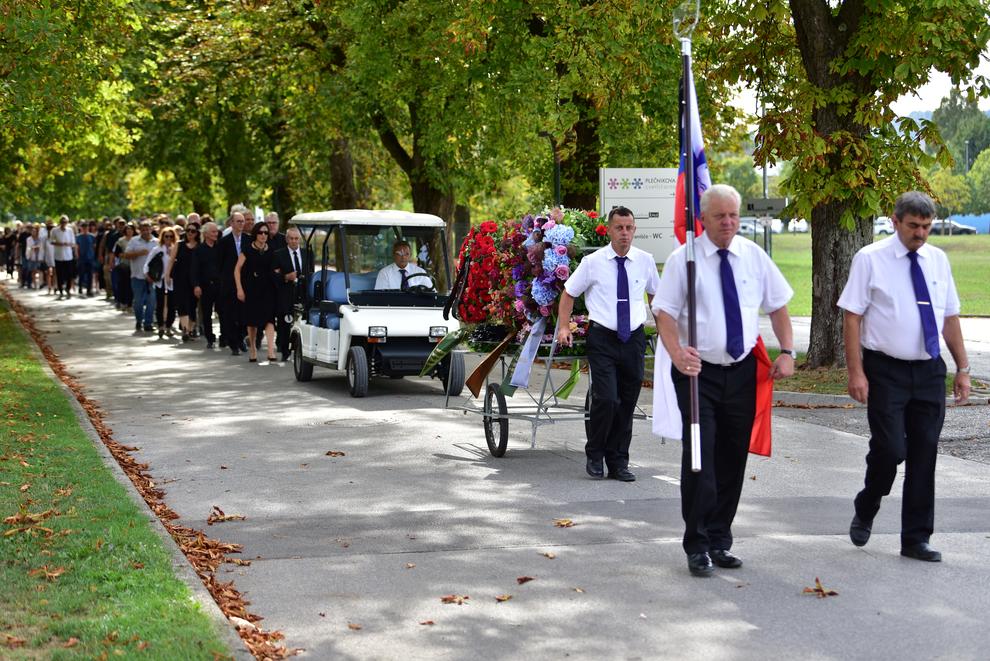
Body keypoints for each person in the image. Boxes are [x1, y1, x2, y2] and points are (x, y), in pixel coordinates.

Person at [653, 184, 795, 577]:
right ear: (703, 219)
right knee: (702, 460)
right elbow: (663, 313)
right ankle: (696, 544)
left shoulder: (753, 256)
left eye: (733, 215)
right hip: (698, 375)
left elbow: (778, 304)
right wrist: (678, 353)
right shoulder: (687, 259)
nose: (729, 222)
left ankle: (720, 539)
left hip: (743, 372)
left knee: (732, 458)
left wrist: (787, 350)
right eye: (720, 216)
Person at [838, 191, 971, 563]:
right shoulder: (870, 259)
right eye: (913, 226)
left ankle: (915, 538)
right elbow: (852, 316)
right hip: (886, 370)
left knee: (924, 452)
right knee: (891, 449)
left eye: (927, 227)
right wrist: (856, 372)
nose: (921, 234)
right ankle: (867, 503)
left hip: (929, 370)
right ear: (895, 221)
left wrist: (962, 368)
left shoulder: (938, 260)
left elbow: (949, 318)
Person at [556, 206, 660, 483]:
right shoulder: (593, 262)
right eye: (619, 228)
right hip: (602, 338)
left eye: (629, 227)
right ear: (610, 230)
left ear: (634, 229)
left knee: (627, 403)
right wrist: (564, 327)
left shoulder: (645, 261)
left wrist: (666, 334)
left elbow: (656, 298)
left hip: (634, 338)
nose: (624, 233)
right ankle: (595, 454)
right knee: (606, 398)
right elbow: (568, 293)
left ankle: (618, 461)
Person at [234, 221, 278, 363]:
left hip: (268, 289)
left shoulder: (271, 250)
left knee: (269, 319)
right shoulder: (247, 250)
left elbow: (275, 268)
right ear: (255, 234)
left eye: (266, 232)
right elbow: (237, 270)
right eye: (260, 232)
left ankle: (271, 350)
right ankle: (252, 348)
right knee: (252, 321)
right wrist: (239, 289)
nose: (263, 235)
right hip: (251, 289)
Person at [273, 227, 309, 361]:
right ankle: (284, 351)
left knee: (302, 320)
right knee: (284, 322)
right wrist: (286, 277)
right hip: (285, 293)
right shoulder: (278, 254)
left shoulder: (307, 254)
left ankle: (301, 349)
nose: (294, 241)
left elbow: (310, 272)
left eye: (296, 238)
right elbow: (273, 275)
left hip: (303, 293)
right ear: (286, 239)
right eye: (291, 238)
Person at [218, 211, 248, 354]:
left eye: (243, 221)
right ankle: (233, 344)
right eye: (238, 221)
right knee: (230, 314)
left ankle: (241, 337)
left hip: (245, 282)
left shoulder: (248, 240)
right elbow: (220, 263)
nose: (241, 224)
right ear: (231, 223)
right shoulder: (224, 242)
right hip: (229, 283)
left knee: (243, 314)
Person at [166, 222, 200, 342]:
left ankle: (190, 330)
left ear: (197, 233)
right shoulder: (179, 244)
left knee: (192, 304)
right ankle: (185, 330)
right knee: (182, 303)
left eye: (193, 231)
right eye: (188, 230)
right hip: (180, 277)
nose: (190, 233)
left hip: (195, 279)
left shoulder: (199, 245)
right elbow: (171, 260)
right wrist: (167, 275)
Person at [124, 221, 159, 332]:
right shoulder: (134, 241)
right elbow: (126, 255)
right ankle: (139, 320)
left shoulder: (157, 242)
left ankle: (148, 323)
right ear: (139, 230)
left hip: (152, 277)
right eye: (143, 229)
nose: (146, 231)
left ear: (151, 229)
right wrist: (138, 253)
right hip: (137, 276)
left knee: (151, 301)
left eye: (147, 229)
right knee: (138, 301)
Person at [191, 222, 222, 349]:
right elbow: (194, 270)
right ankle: (210, 337)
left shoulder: (220, 248)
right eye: (213, 232)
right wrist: (196, 285)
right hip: (205, 286)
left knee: (223, 312)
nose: (216, 234)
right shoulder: (198, 250)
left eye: (216, 232)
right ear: (206, 234)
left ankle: (224, 336)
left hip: (220, 285)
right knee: (206, 313)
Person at [147, 227, 177, 338]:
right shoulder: (157, 249)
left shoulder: (176, 249)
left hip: (173, 280)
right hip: (160, 280)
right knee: (160, 304)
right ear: (162, 237)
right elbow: (148, 263)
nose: (168, 238)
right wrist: (148, 275)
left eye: (171, 236)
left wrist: (172, 254)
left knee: (172, 305)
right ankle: (160, 326)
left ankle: (169, 326)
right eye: (166, 236)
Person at [49, 215, 77, 299]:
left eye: (65, 222)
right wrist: (59, 243)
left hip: (68, 256)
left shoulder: (70, 231)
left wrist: (67, 244)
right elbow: (51, 241)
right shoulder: (55, 230)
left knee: (69, 274)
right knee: (59, 274)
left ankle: (68, 289)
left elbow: (73, 242)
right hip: (58, 255)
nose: (63, 224)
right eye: (62, 222)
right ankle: (60, 290)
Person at [112, 224, 135, 311]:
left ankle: (130, 303)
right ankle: (122, 302)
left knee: (131, 285)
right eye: (127, 229)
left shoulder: (136, 240)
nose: (129, 231)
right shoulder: (120, 241)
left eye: (131, 229)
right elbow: (117, 254)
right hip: (124, 266)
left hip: (134, 266)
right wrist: (127, 255)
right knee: (123, 284)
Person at [76, 222, 97, 297]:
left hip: (90, 258)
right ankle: (80, 287)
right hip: (82, 258)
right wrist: (77, 256)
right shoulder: (78, 237)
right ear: (81, 228)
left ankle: (89, 289)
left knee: (90, 274)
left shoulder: (92, 236)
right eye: (83, 228)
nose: (85, 229)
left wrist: (93, 256)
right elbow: (77, 247)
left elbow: (94, 247)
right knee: (81, 274)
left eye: (86, 227)